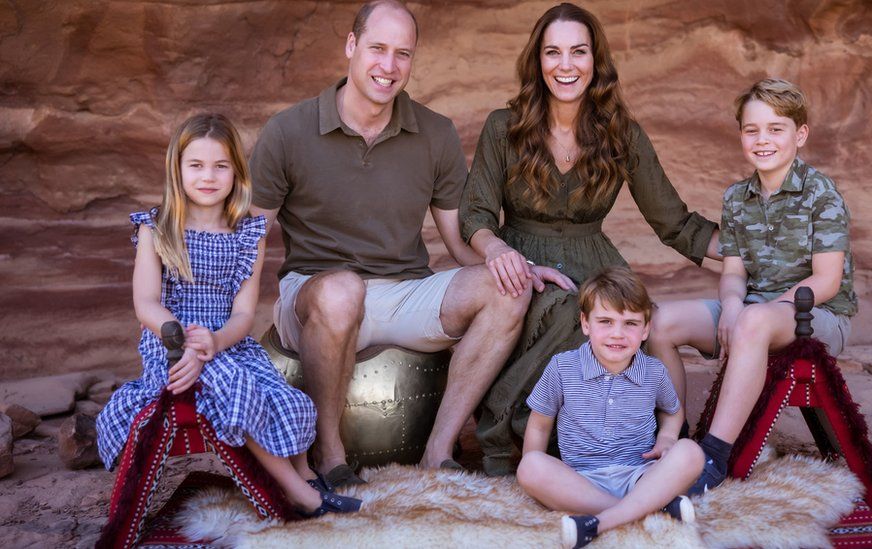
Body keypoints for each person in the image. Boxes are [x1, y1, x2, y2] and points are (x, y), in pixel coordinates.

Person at [249, 0, 540, 486]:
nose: (388, 66)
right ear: (351, 46)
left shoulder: (435, 132)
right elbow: (250, 240)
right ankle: (331, 456)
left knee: (507, 290)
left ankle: (438, 450)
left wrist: (509, 263)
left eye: (402, 54)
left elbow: (458, 239)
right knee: (342, 291)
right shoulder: (287, 131)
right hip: (314, 295)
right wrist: (226, 323)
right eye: (377, 48)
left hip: (403, 292)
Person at [460, 2, 719, 475]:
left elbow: (674, 222)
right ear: (537, 61)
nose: (565, 65)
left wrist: (752, 252)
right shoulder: (504, 127)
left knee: (624, 318)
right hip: (522, 264)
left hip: (595, 258)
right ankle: (502, 433)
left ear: (595, 61)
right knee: (570, 309)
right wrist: (497, 250)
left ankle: (637, 447)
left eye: (578, 52)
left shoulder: (622, 135)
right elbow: (475, 213)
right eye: (552, 52)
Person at [96, 114, 360, 517]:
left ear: (236, 172)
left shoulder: (247, 234)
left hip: (228, 343)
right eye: (196, 165)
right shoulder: (157, 229)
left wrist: (217, 341)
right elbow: (146, 303)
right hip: (170, 346)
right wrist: (180, 337)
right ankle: (300, 495)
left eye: (221, 166)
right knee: (229, 382)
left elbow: (242, 313)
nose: (208, 176)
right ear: (177, 169)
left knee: (285, 395)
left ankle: (305, 474)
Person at [648, 78, 858, 494]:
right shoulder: (736, 198)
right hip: (751, 312)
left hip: (814, 317)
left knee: (754, 321)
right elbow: (734, 273)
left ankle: (714, 455)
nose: (763, 140)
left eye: (775, 129)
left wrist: (753, 315)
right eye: (751, 130)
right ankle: (674, 435)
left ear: (800, 135)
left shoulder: (822, 195)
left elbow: (827, 281)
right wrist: (730, 306)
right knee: (659, 322)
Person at [517, 267, 703, 549]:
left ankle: (602, 523)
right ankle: (648, 512)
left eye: (630, 323)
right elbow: (540, 423)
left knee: (690, 452)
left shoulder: (653, 371)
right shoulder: (563, 367)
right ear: (585, 324)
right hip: (580, 482)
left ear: (646, 329)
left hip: (640, 476)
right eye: (605, 321)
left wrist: (667, 439)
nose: (618, 334)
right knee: (530, 466)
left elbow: (673, 411)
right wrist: (537, 474)